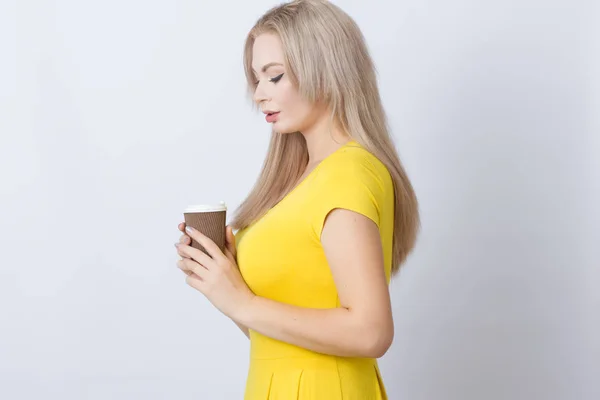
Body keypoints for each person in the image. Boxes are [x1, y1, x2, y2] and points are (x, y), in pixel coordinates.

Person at [174, 0, 420, 398]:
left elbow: (371, 332)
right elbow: (275, 338)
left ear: (326, 69)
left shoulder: (349, 173)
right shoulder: (297, 179)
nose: (258, 94)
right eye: (255, 79)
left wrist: (241, 303)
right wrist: (224, 285)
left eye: (275, 77)